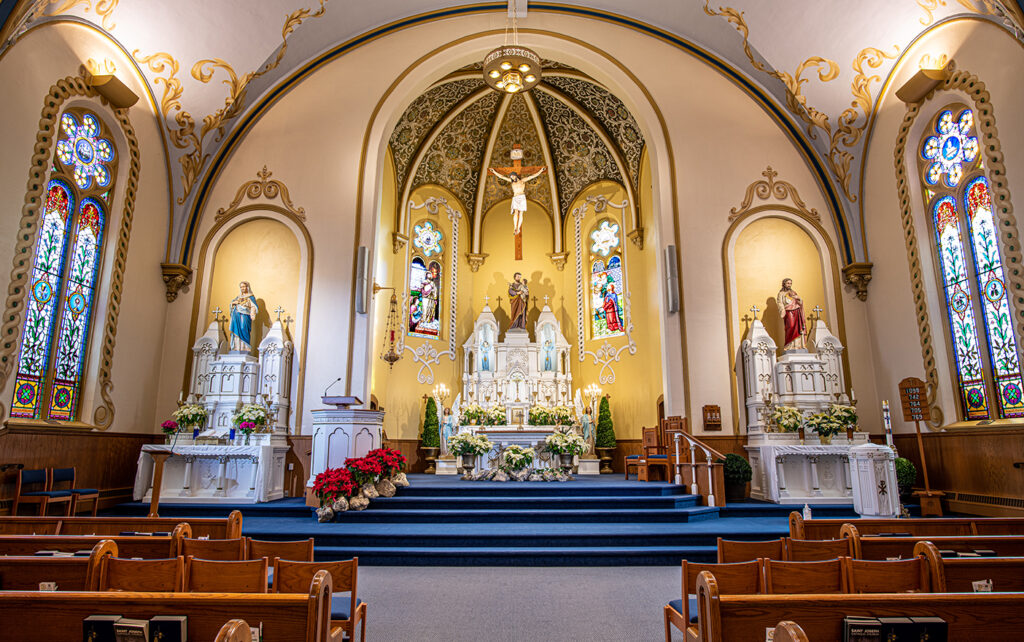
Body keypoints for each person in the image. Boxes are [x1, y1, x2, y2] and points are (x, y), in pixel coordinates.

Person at [489, 166, 547, 235]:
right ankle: (515, 228)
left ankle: (518, 228)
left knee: (521, 213)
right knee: (516, 212)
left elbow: (532, 176)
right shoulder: (512, 182)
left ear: (515, 176)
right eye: (511, 177)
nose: (512, 178)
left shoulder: (522, 181)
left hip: (521, 197)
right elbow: (502, 177)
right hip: (515, 197)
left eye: (513, 176)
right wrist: (494, 172)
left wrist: (541, 171)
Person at [777, 277, 806, 351]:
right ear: (784, 284)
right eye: (788, 283)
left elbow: (799, 302)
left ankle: (798, 345)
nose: (789, 285)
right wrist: (782, 310)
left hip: (797, 311)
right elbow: (780, 303)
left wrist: (799, 298)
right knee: (791, 326)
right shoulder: (781, 293)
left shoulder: (793, 292)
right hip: (788, 311)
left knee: (798, 327)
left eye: (790, 283)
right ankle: (789, 345)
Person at [229, 281, 258, 352]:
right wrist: (233, 303)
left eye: (244, 286)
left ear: (247, 287)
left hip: (245, 315)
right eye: (241, 287)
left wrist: (253, 313)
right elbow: (232, 304)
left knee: (244, 328)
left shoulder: (250, 297)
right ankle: (236, 347)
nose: (242, 288)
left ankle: (245, 347)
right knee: (236, 330)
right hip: (236, 316)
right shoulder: (238, 297)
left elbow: (253, 306)